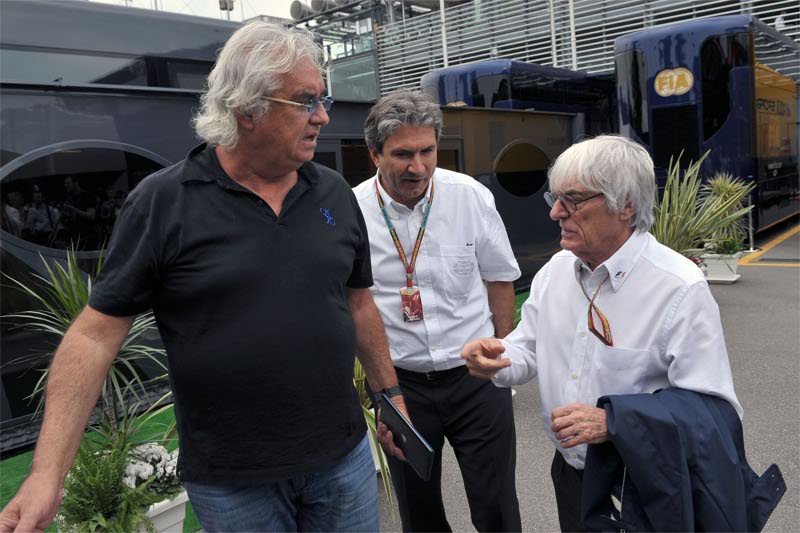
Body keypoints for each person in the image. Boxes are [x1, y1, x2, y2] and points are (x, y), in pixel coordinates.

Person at [0, 21, 407, 533]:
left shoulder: (332, 192)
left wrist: (390, 398)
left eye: (322, 100)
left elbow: (359, 303)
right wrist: (45, 475)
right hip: (234, 483)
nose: (323, 116)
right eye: (306, 101)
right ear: (247, 108)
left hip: (342, 460)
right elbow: (94, 335)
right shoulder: (163, 202)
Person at [461, 135, 742, 532]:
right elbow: (527, 350)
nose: (556, 212)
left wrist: (613, 422)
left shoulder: (678, 286)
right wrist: (496, 357)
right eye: (554, 198)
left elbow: (714, 411)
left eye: (573, 200)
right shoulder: (556, 271)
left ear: (625, 205)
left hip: (644, 481)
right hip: (572, 473)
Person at [353, 90, 522, 532]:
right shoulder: (353, 211)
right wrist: (382, 395)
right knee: (420, 513)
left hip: (474, 380)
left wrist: (501, 355)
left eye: (427, 151)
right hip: (401, 385)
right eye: (403, 154)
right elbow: (350, 304)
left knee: (497, 507)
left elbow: (500, 280)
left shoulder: (470, 197)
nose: (419, 166)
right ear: (374, 154)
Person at [60, 175, 96, 249]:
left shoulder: (87, 196)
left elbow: (91, 216)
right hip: (72, 237)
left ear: (76, 183)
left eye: (68, 183)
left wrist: (72, 209)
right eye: (65, 183)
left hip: (86, 236)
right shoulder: (67, 196)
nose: (66, 186)